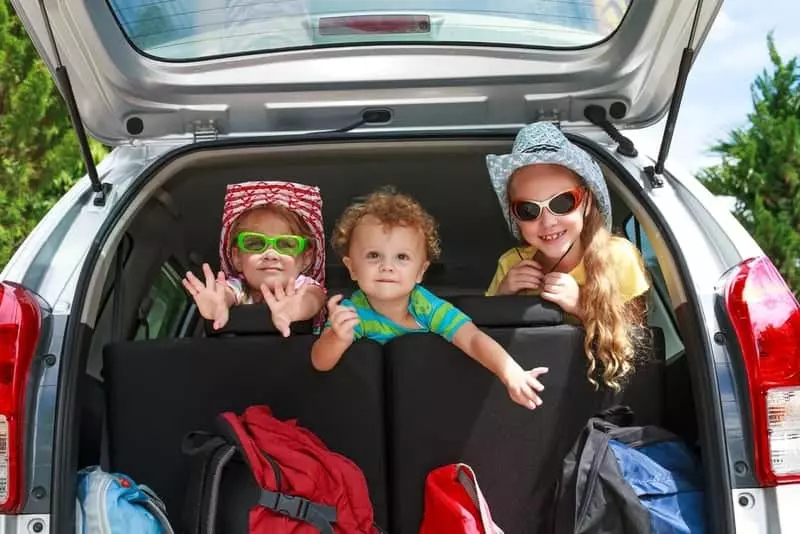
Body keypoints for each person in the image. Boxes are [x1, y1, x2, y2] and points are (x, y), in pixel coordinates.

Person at [311, 188, 548, 410]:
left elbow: (473, 339)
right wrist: (336, 338)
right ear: (351, 268)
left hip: (432, 406)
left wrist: (510, 372)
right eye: (373, 256)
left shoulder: (427, 307)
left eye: (402, 257)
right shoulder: (351, 314)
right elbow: (320, 362)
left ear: (421, 271)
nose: (387, 267)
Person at [485, 122, 650, 390]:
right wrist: (504, 296)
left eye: (562, 202)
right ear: (516, 218)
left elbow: (637, 336)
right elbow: (480, 336)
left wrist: (581, 305)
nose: (548, 221)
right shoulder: (511, 263)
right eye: (528, 209)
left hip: (601, 390)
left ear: (585, 202)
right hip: (529, 390)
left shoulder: (616, 256)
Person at [182, 180, 326, 336]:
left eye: (286, 244)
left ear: (306, 259)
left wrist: (294, 309)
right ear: (237, 257)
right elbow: (226, 292)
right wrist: (219, 302)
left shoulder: (303, 286)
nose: (271, 254)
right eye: (255, 243)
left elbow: (314, 298)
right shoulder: (239, 287)